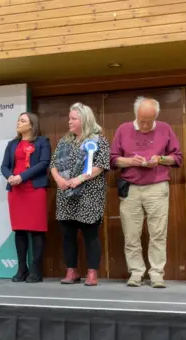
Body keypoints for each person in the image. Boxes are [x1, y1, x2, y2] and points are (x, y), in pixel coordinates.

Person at [110, 97, 183, 289]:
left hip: (157, 187)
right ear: (136, 114)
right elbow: (113, 160)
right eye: (142, 120)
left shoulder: (165, 128)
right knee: (131, 234)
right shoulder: (123, 129)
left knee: (158, 233)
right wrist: (130, 161)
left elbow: (177, 158)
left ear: (156, 117)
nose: (145, 125)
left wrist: (159, 159)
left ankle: (157, 274)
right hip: (130, 188)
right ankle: (136, 272)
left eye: (149, 121)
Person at [50, 102, 110, 286]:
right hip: (65, 194)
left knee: (90, 235)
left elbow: (101, 166)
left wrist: (80, 179)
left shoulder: (99, 140)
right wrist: (59, 180)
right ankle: (71, 271)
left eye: (73, 119)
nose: (69, 122)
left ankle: (92, 273)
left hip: (88, 195)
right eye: (69, 118)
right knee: (68, 235)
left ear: (84, 120)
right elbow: (53, 164)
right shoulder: (64, 141)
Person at [1, 112, 50, 283]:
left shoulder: (43, 142)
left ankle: (36, 270)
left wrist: (22, 176)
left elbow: (44, 164)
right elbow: (4, 166)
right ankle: (22, 269)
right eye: (18, 120)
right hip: (16, 191)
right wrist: (10, 177)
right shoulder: (12, 144)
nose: (18, 122)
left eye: (22, 120)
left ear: (32, 125)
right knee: (19, 230)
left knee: (36, 230)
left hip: (35, 189)